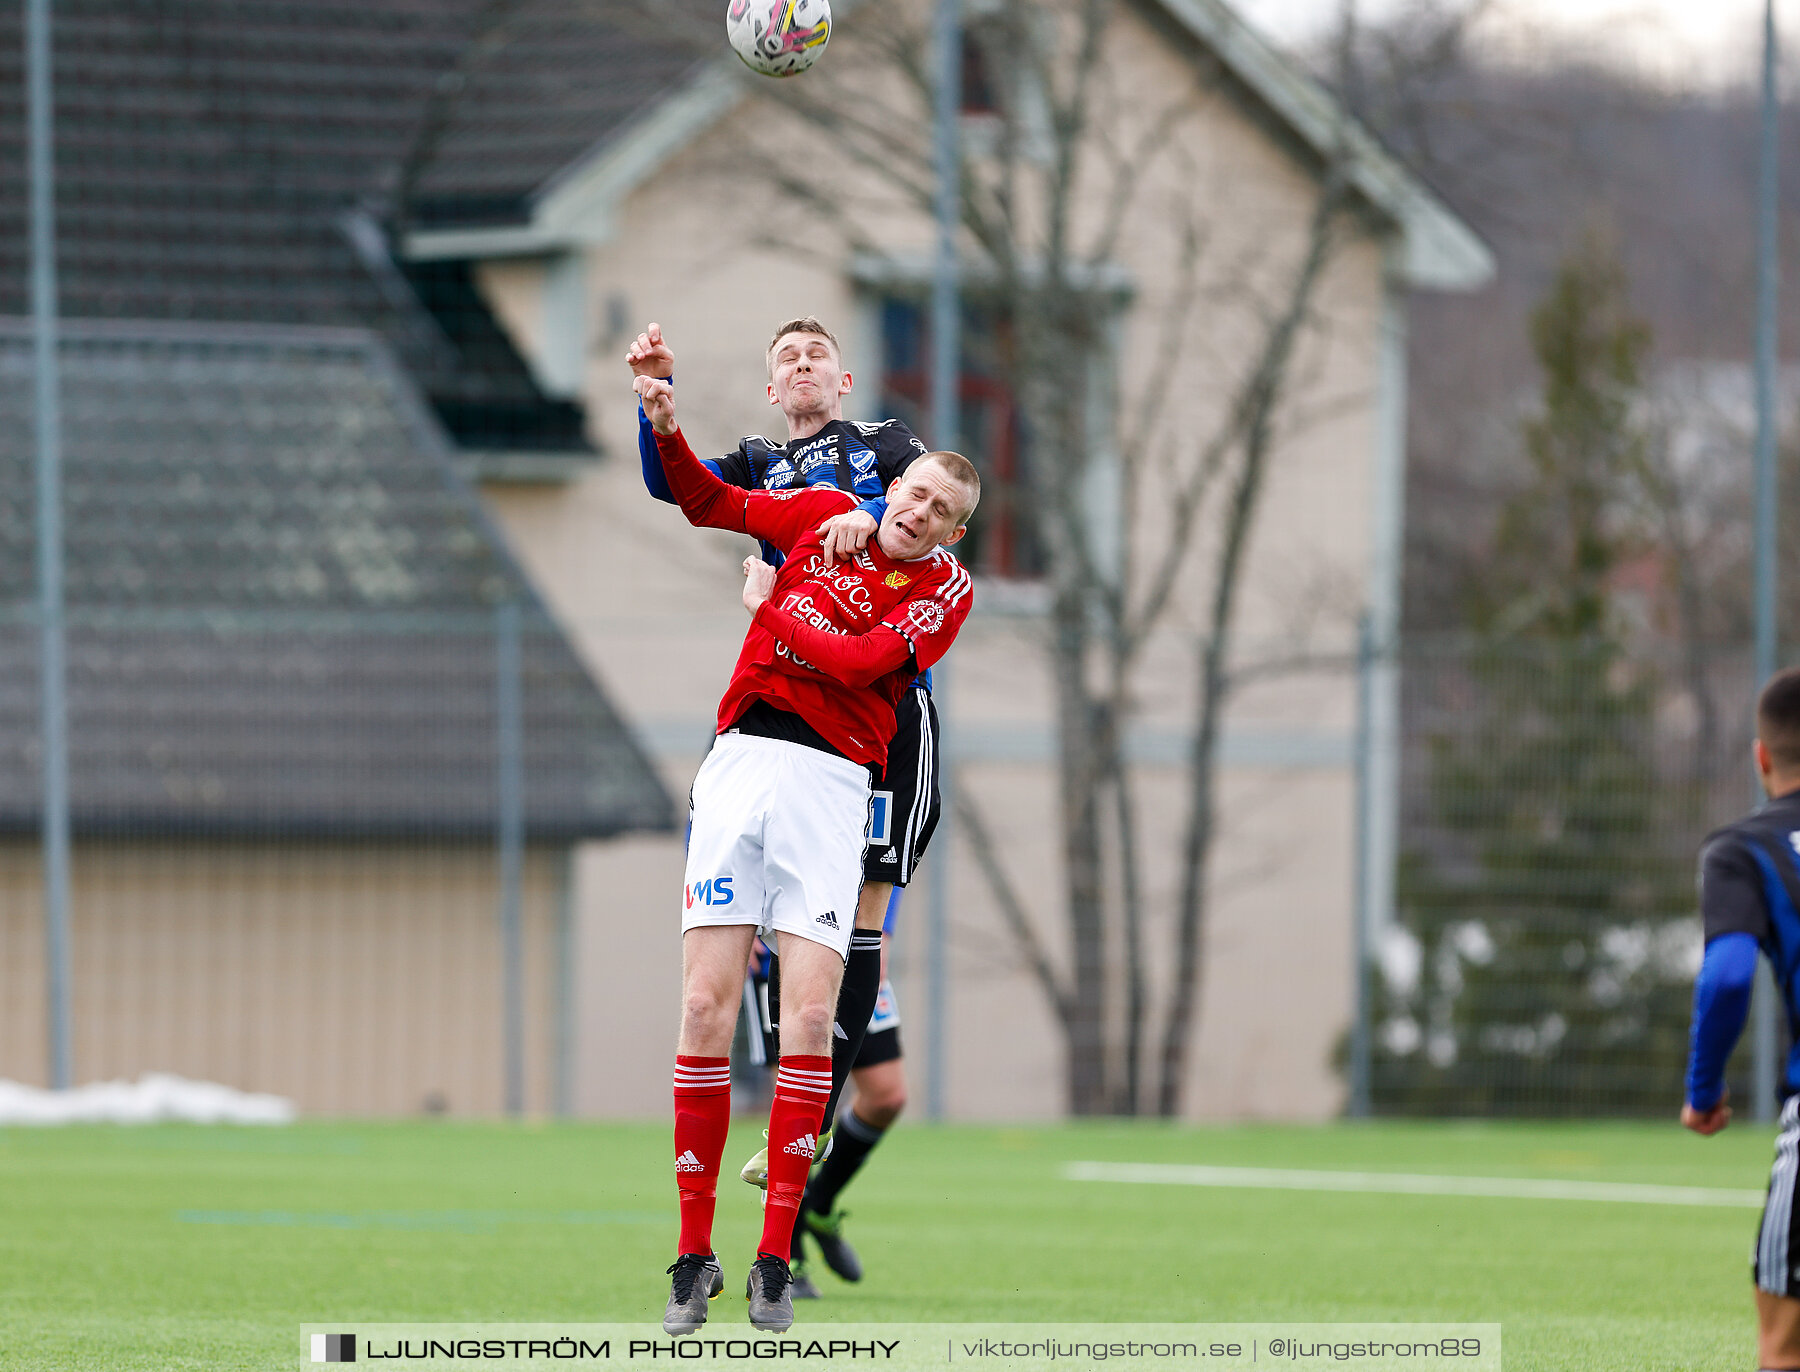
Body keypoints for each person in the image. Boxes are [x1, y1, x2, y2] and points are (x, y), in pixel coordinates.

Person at [635, 368, 977, 1336]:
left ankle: (773, 1258)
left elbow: (864, 664)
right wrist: (661, 420)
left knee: (813, 1013)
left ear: (952, 532)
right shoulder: (824, 513)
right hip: (741, 763)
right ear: (891, 492)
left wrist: (768, 608)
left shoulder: (943, 592)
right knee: (702, 1003)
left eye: (941, 510)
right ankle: (692, 1254)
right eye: (914, 495)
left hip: (833, 787)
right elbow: (706, 499)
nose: (919, 512)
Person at [1682, 665, 1800, 1372]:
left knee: (1784, 1347)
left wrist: (1703, 1092)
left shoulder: (1744, 848)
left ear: (1761, 756)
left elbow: (1727, 977)